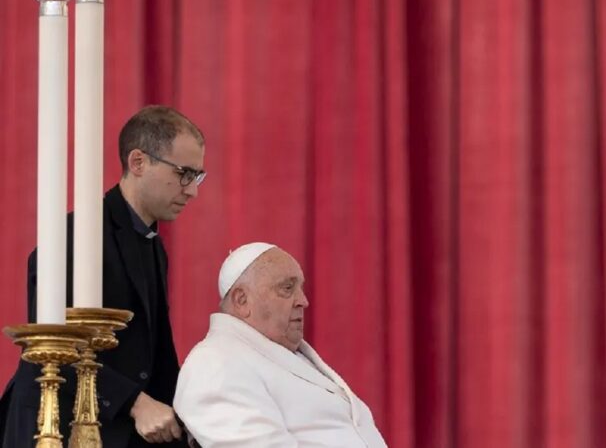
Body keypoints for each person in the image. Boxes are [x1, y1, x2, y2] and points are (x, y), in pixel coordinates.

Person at [0, 105, 206, 447]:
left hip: (112, 424)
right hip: (55, 426)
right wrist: (137, 404)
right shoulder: (74, 236)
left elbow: (153, 354)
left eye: (197, 176)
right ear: (138, 162)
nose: (192, 190)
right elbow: (54, 347)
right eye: (184, 173)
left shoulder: (152, 241)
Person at [173, 243, 387, 448]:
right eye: (287, 288)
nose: (303, 300)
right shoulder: (213, 363)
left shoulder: (274, 351)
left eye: (300, 288)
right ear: (241, 300)